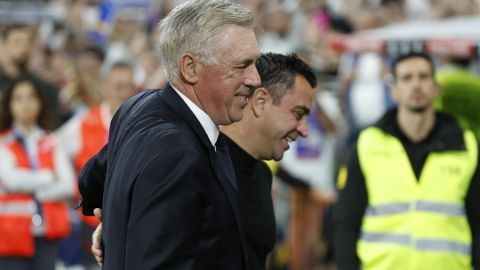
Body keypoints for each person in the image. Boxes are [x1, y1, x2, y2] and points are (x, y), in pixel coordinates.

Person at [84, 52, 316, 269]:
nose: (304, 130)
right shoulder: (184, 152)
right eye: (298, 113)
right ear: (261, 101)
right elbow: (95, 176)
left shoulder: (261, 174)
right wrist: (119, 216)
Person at [77, 0, 261, 269]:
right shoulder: (179, 154)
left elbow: (91, 180)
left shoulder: (136, 106)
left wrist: (120, 221)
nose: (255, 79)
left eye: (255, 63)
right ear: (190, 68)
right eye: (241, 65)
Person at [333, 52, 480, 270]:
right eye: (407, 78)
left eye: (423, 77)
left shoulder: (466, 145)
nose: (416, 85)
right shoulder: (368, 145)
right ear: (394, 91)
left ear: (436, 88)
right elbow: (346, 221)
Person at [56, 61, 137, 269]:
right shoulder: (84, 122)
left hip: (132, 219)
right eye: (118, 87)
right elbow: (53, 150)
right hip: (92, 221)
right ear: (105, 86)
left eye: (129, 87)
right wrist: (72, 191)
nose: (124, 93)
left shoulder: (142, 122)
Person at [0, 77, 75, 270]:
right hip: (11, 235)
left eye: (31, 97)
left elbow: (68, 185)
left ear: (41, 103)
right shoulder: (3, 142)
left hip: (47, 232)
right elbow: (12, 181)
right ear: (9, 105)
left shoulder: (52, 140)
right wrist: (49, 176)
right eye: (19, 98)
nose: (26, 104)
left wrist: (36, 192)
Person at [0, 24, 61, 127]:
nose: (23, 48)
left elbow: (51, 128)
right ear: (4, 46)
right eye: (17, 42)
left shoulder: (46, 89)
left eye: (27, 43)